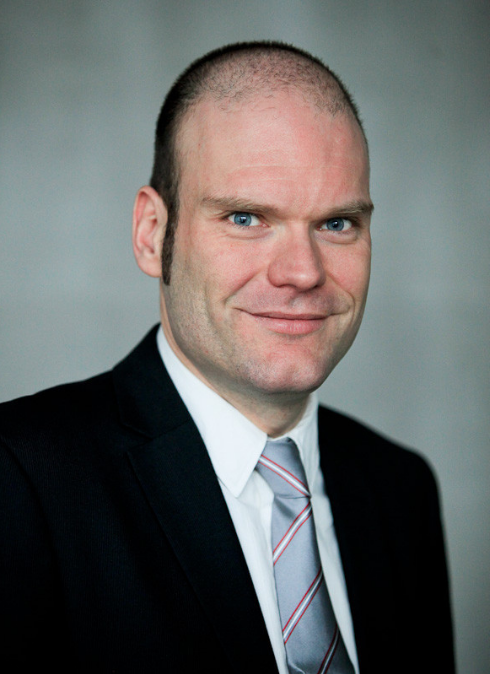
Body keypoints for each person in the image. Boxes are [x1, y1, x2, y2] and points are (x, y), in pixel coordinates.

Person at [0, 42, 454, 673]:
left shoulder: (399, 489)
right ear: (152, 234)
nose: (302, 272)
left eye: (337, 224)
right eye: (246, 217)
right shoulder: (19, 479)